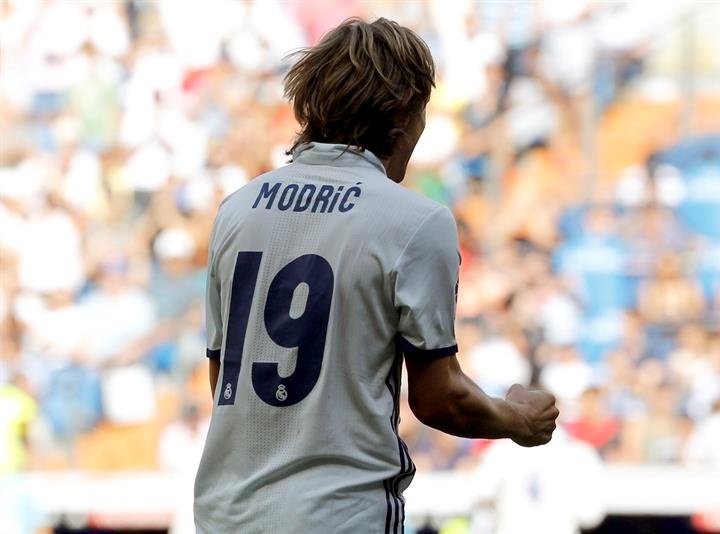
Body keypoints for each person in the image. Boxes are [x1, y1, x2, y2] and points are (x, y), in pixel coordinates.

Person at [193, 18, 558, 534]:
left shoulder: (237, 210)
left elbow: (222, 380)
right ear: (403, 113)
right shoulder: (415, 221)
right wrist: (517, 419)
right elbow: (439, 400)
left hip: (226, 515)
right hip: (341, 516)